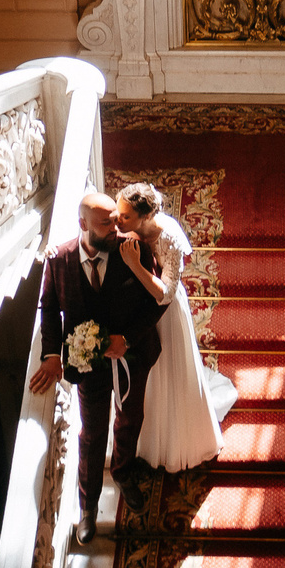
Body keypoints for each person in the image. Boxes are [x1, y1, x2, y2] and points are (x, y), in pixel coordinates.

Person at [30, 192, 163, 544]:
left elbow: (157, 304)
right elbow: (48, 307)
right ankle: (87, 507)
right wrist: (51, 355)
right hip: (87, 366)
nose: (115, 227)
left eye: (116, 219)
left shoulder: (133, 249)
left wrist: (128, 340)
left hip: (131, 359)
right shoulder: (59, 260)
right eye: (106, 222)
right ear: (83, 225)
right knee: (91, 433)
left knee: (130, 417)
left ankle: (122, 471)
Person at [115, 183, 235, 473]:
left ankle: (175, 441)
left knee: (169, 372)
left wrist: (135, 265)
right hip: (137, 311)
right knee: (147, 377)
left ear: (143, 217)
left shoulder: (168, 236)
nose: (117, 221)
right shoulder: (125, 229)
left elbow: (165, 294)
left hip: (165, 315)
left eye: (125, 217)